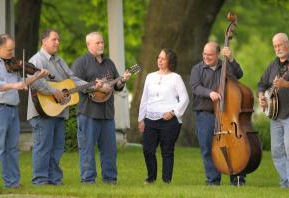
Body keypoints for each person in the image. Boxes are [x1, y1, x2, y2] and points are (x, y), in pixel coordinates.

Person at [27, 29, 102, 185]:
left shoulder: (59, 60)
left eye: (58, 40)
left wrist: (92, 86)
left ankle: (55, 180)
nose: (57, 42)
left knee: (57, 148)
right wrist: (54, 91)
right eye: (54, 39)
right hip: (42, 111)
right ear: (44, 41)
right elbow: (35, 82)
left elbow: (73, 79)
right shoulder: (36, 60)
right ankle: (40, 181)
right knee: (43, 147)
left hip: (59, 111)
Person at [0, 34, 49, 194]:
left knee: (11, 147)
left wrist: (37, 76)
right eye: (9, 50)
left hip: (11, 109)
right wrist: (14, 85)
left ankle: (12, 182)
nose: (12, 53)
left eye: (13, 50)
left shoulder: (10, 63)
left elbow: (22, 84)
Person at [71, 32, 131, 184]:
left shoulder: (109, 63)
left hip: (107, 114)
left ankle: (110, 180)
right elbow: (74, 84)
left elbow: (117, 86)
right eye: (97, 43)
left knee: (109, 150)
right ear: (88, 44)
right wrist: (94, 87)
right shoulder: (81, 62)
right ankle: (88, 181)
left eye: (102, 42)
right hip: (88, 113)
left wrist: (122, 80)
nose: (101, 45)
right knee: (87, 150)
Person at [190, 42, 246, 186]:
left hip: (227, 113)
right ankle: (213, 180)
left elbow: (239, 75)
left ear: (217, 54)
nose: (206, 57)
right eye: (204, 54)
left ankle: (237, 178)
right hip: (205, 113)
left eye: (209, 54)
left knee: (234, 145)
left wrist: (231, 59)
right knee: (207, 147)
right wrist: (210, 93)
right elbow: (195, 87)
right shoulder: (197, 69)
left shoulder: (226, 66)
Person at [258, 33, 289, 189]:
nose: (277, 48)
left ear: (288, 44)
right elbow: (261, 84)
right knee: (276, 150)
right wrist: (261, 97)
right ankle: (285, 182)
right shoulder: (272, 65)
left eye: (280, 45)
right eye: (275, 46)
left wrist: (284, 84)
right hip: (275, 114)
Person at [137, 49, 189, 184]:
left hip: (169, 121)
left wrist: (173, 112)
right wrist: (141, 119)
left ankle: (166, 181)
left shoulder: (175, 78)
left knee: (167, 151)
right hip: (150, 119)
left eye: (163, 58)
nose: (159, 60)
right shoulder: (150, 76)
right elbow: (144, 99)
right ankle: (151, 178)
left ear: (170, 61)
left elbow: (185, 98)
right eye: (158, 57)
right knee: (148, 150)